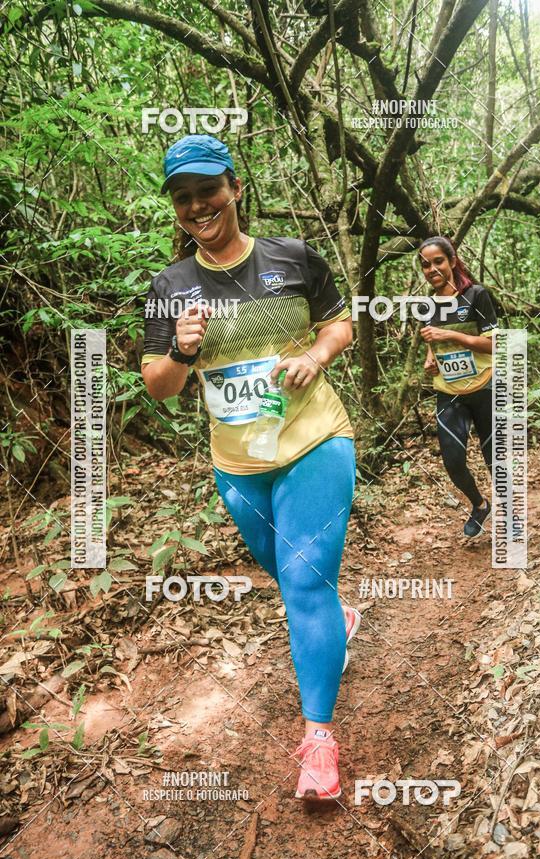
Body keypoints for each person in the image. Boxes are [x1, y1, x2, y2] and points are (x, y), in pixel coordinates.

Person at [141, 134, 361, 804]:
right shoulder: (170, 287)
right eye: (183, 197)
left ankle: (319, 741)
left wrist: (315, 357)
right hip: (237, 465)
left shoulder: (292, 257)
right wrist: (181, 352)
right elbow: (159, 387)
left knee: (303, 582)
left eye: (208, 189)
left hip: (314, 440)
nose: (197, 205)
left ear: (235, 188)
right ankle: (335, 616)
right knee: (292, 577)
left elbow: (340, 324)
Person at [418, 236, 498, 537]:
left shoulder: (477, 295)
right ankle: (479, 505)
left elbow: (494, 345)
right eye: (426, 265)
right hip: (449, 392)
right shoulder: (426, 304)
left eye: (438, 261)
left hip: (484, 387)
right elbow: (432, 342)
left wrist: (452, 336)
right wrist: (431, 360)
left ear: (452, 261)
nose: (432, 269)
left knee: (494, 458)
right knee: (452, 461)